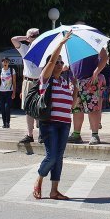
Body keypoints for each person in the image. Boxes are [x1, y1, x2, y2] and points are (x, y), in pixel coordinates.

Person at [33, 32, 75, 201]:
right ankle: (39, 179)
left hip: (64, 124)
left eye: (61, 62)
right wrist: (61, 44)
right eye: (56, 62)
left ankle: (54, 191)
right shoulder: (46, 79)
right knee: (52, 156)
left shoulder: (65, 82)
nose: (58, 64)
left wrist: (76, 89)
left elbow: (71, 105)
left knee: (59, 158)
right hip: (50, 123)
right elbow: (51, 61)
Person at [69, 41, 108, 145]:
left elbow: (104, 57)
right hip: (75, 80)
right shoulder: (71, 45)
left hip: (89, 80)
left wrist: (96, 72)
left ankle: (95, 135)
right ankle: (76, 134)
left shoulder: (92, 43)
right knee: (76, 109)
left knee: (93, 108)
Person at [11, 28, 42, 143]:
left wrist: (33, 38)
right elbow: (13, 39)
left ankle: (41, 134)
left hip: (40, 81)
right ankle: (30, 134)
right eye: (33, 36)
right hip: (28, 81)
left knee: (40, 107)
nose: (35, 38)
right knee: (28, 109)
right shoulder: (25, 49)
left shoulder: (43, 50)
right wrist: (26, 38)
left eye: (36, 36)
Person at [0, 58, 16, 128]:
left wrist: (14, 92)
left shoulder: (12, 70)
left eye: (6, 62)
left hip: (9, 92)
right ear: (2, 63)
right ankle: (4, 123)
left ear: (8, 63)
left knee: (7, 107)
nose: (5, 63)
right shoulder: (0, 71)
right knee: (2, 108)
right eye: (4, 62)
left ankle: (8, 122)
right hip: (1, 92)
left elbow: (14, 82)